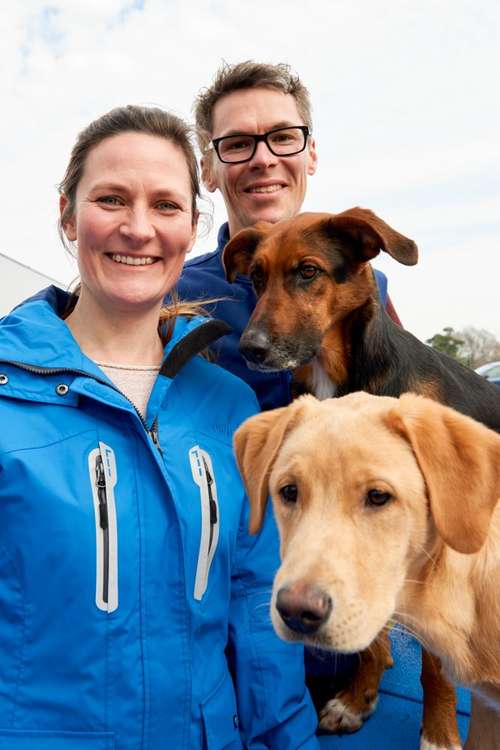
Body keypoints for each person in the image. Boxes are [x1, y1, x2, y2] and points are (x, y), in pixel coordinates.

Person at [0, 106, 319, 750]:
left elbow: (259, 608)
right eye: (111, 198)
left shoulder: (228, 406)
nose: (138, 228)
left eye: (167, 206)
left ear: (193, 226)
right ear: (68, 214)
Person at [176, 60, 401, 412]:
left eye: (282, 138)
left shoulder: (370, 285)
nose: (263, 159)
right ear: (208, 171)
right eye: (236, 144)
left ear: (310, 154)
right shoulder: (177, 297)